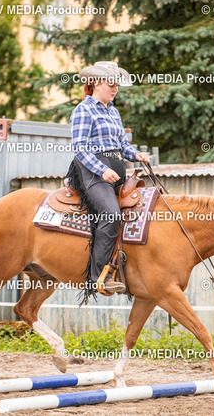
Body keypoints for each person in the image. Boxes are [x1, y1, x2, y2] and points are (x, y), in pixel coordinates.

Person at [65, 61, 150, 297]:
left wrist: (136, 155)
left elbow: (123, 146)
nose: (115, 89)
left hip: (116, 171)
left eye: (117, 85)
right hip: (92, 173)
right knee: (111, 214)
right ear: (96, 83)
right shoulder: (83, 110)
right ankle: (97, 278)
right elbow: (80, 148)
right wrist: (102, 170)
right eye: (111, 84)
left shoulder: (114, 111)